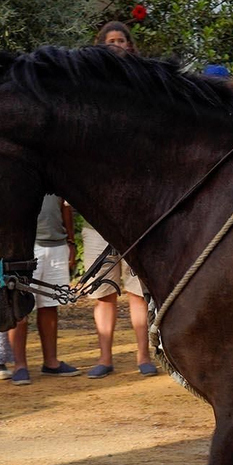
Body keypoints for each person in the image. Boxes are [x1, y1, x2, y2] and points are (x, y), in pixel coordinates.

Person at [85, 22, 159, 378]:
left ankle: (144, 356)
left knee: (136, 290)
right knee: (103, 289)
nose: (115, 46)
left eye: (121, 41)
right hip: (98, 209)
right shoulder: (88, 93)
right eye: (109, 42)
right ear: (100, 47)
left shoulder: (142, 89)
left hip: (136, 210)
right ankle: (104, 358)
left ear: (131, 46)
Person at [9, 195, 81, 383]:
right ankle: (20, 366)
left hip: (57, 246)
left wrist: (71, 242)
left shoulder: (54, 170)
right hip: (26, 247)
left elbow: (65, 206)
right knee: (21, 308)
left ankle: (51, 362)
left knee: (50, 305)